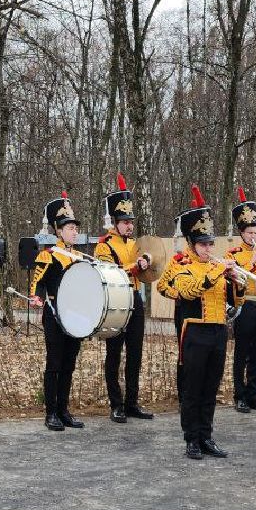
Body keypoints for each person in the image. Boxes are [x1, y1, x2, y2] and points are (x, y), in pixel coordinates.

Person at [158, 186, 242, 460]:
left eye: (210, 243)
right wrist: (217, 272)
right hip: (194, 331)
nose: (208, 248)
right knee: (193, 388)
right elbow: (190, 290)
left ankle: (206, 435)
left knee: (211, 387)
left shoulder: (217, 266)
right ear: (192, 244)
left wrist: (236, 282)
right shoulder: (183, 266)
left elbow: (237, 301)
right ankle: (191, 438)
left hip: (219, 331)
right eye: (203, 244)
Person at [95, 174, 154, 424]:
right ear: (115, 223)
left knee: (136, 354)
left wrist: (149, 261)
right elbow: (109, 273)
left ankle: (132, 402)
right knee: (114, 353)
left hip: (135, 299)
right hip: (115, 301)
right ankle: (116, 404)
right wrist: (134, 265)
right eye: (125, 221)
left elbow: (146, 269)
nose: (130, 226)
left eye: (131, 221)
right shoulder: (103, 246)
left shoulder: (136, 243)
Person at [31, 193, 88, 432]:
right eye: (69, 227)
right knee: (54, 364)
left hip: (75, 316)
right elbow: (38, 282)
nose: (74, 232)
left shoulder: (81, 257)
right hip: (54, 315)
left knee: (69, 364)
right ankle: (51, 412)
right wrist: (37, 296)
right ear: (58, 230)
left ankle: (64, 411)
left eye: (75, 228)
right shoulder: (48, 254)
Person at [227, 188, 256, 414]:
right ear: (242, 233)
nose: (254, 236)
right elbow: (236, 278)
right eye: (250, 233)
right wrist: (252, 263)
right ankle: (239, 395)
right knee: (241, 352)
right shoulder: (233, 254)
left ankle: (254, 394)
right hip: (244, 305)